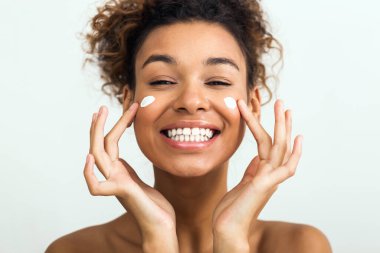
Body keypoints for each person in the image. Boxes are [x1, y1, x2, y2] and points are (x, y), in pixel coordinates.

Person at [46, 0, 332, 252]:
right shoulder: (72, 250)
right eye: (162, 81)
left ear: (253, 104)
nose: (191, 101)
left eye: (218, 81)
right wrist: (158, 239)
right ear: (128, 101)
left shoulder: (300, 246)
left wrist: (231, 239)